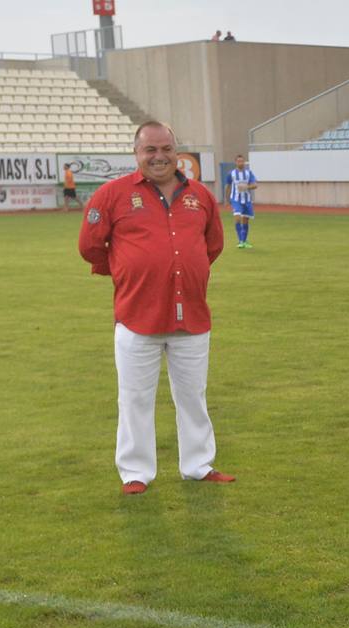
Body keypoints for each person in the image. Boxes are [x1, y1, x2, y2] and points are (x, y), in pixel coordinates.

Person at [77, 121, 232, 495]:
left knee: (193, 396)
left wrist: (182, 269)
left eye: (166, 148)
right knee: (134, 399)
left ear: (177, 152)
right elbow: (90, 246)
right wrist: (127, 270)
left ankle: (198, 465)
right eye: (150, 150)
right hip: (136, 318)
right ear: (137, 153)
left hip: (192, 317)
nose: (159, 156)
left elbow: (212, 245)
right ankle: (135, 473)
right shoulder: (112, 194)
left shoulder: (200, 196)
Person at [226, 154, 257, 248]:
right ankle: (240, 241)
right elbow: (228, 186)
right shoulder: (231, 173)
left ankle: (244, 241)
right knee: (238, 217)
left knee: (245, 221)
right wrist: (227, 199)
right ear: (235, 162)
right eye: (239, 161)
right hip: (236, 199)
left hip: (247, 200)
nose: (241, 163)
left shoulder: (249, 173)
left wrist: (246, 186)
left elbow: (255, 185)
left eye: (242, 161)